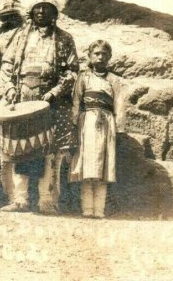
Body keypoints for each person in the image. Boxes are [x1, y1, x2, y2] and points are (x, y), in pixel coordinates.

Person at [0, 0, 79, 214]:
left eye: (47, 8)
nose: (42, 12)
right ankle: (19, 200)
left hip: (51, 104)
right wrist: (10, 89)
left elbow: (71, 71)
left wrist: (54, 93)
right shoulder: (19, 36)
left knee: (49, 153)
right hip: (21, 97)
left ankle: (47, 202)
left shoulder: (65, 39)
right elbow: (7, 65)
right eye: (38, 8)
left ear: (55, 12)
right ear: (31, 11)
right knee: (17, 149)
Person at [69, 40, 125, 218]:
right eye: (96, 54)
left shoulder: (114, 80)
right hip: (87, 124)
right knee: (87, 166)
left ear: (109, 57)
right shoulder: (83, 77)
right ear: (90, 56)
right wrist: (74, 123)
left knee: (102, 167)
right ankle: (87, 209)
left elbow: (120, 104)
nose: (100, 57)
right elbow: (76, 101)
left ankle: (99, 210)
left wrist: (119, 128)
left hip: (107, 124)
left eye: (104, 54)